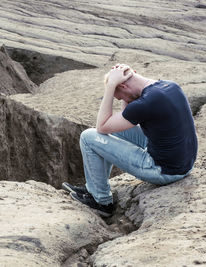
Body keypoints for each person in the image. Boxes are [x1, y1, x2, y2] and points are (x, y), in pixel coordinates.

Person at [63, 64, 198, 217]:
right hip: (183, 164)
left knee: (88, 137)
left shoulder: (146, 103)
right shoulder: (169, 86)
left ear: (122, 85)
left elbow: (101, 127)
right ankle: (94, 187)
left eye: (119, 96)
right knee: (114, 128)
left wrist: (110, 87)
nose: (121, 99)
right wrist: (119, 85)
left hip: (163, 170)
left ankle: (101, 202)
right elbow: (124, 118)